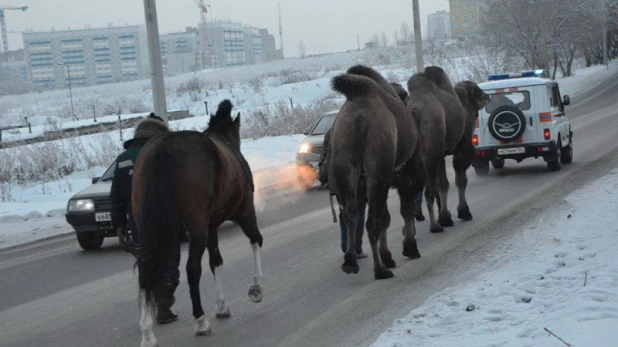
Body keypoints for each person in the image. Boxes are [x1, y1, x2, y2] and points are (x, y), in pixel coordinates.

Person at [110, 113, 180, 324]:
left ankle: (149, 304)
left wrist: (119, 225)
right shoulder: (165, 153)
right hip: (167, 221)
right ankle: (163, 306)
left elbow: (116, 196)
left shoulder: (122, 160)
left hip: (137, 222)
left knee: (147, 260)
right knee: (169, 260)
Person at [318, 128, 368, 259]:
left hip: (337, 181)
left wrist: (326, 179)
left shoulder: (331, 131)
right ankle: (356, 247)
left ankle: (346, 246)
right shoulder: (357, 130)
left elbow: (323, 157)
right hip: (356, 180)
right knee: (358, 212)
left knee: (344, 212)